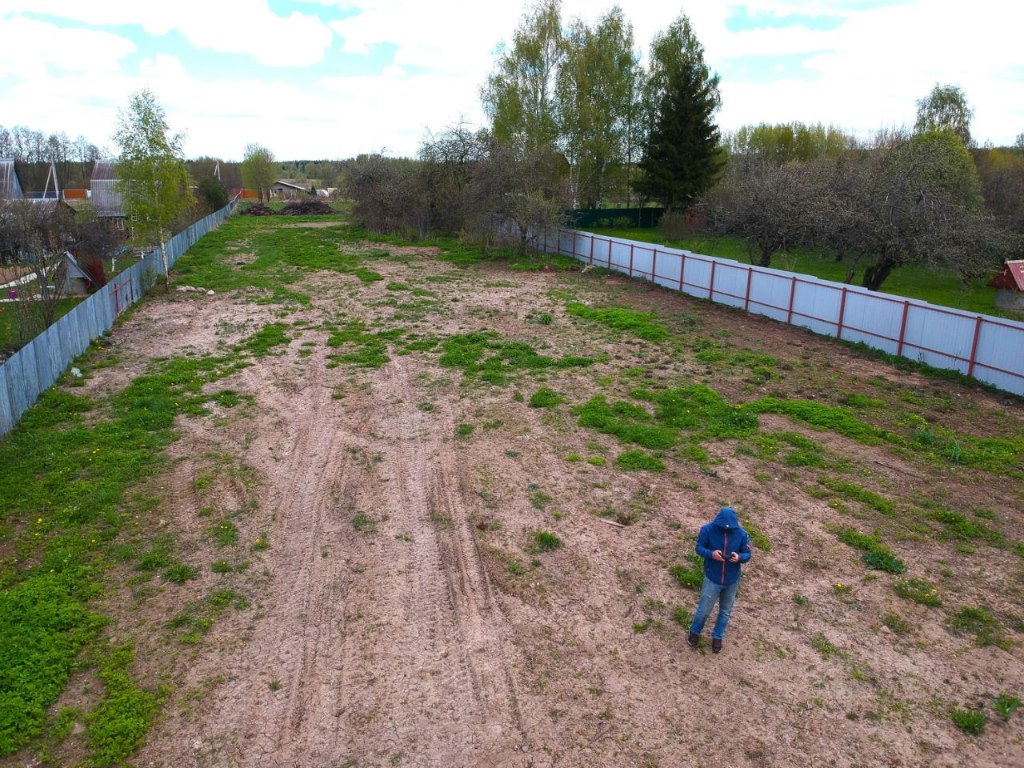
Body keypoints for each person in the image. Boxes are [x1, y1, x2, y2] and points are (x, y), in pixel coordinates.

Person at [687, 506, 752, 654]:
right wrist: (711, 554)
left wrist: (739, 557)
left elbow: (747, 554)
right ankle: (694, 632)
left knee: (725, 611)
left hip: (732, 580)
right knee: (704, 610)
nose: (726, 530)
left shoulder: (742, 535)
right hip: (712, 578)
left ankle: (718, 636)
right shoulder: (707, 530)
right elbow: (699, 548)